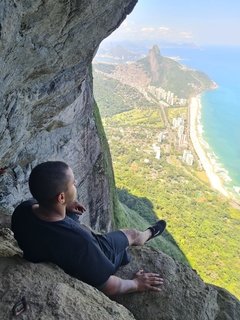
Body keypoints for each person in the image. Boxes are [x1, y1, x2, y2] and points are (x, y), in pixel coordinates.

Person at [11, 161, 166, 296]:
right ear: (61, 197)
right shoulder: (80, 241)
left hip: (50, 249)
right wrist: (136, 284)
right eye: (72, 183)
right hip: (91, 257)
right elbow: (108, 286)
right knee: (131, 234)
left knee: (73, 219)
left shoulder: (22, 211)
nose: (76, 183)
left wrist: (67, 206)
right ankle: (148, 233)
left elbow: (48, 208)